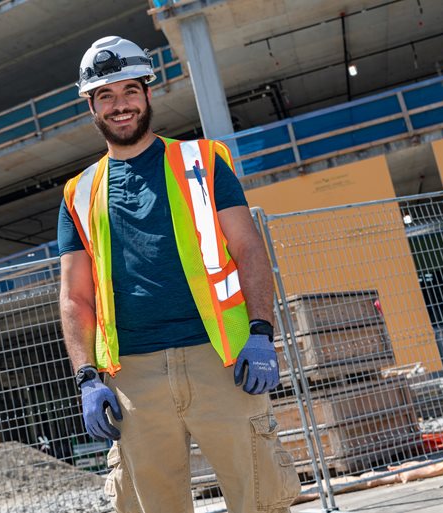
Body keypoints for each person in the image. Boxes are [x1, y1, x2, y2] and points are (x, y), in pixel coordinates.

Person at [58, 36, 301, 513]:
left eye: (129, 91)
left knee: (261, 501)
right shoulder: (78, 193)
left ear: (148, 93)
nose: (119, 105)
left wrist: (261, 334)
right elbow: (75, 297)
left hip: (223, 362)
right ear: (91, 106)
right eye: (105, 95)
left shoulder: (203, 163)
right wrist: (87, 377)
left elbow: (248, 249)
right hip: (134, 376)